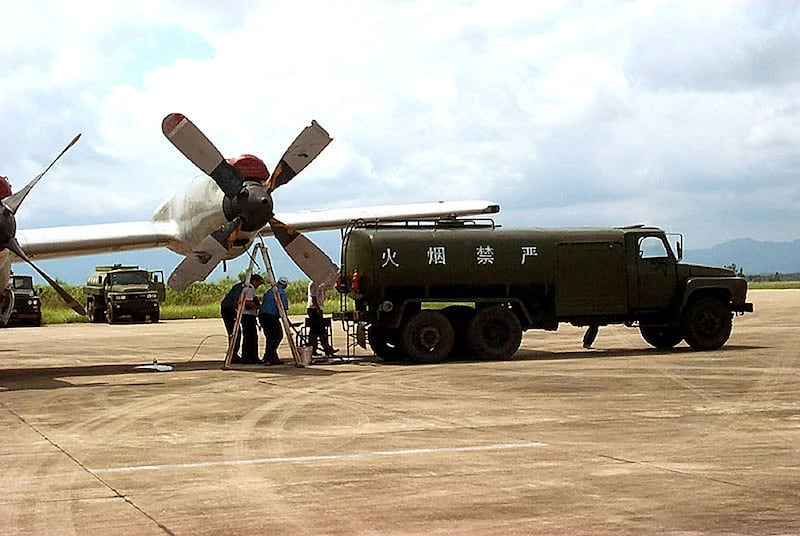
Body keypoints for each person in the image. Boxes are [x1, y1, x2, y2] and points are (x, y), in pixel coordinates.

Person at [260, 276, 289, 365]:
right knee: (277, 335)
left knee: (270, 337)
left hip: (262, 316)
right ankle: (269, 356)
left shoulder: (269, 291)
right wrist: (286, 319)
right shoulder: (281, 292)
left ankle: (270, 356)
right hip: (271, 316)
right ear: (285, 285)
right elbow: (283, 307)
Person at [306, 281, 338, 357]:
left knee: (315, 330)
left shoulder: (319, 283)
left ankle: (314, 349)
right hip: (313, 309)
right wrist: (318, 308)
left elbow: (326, 289)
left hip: (318, 308)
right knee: (320, 330)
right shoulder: (313, 284)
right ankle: (327, 349)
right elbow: (313, 297)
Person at [239, 274, 264, 364]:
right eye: (259, 283)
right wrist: (259, 307)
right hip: (247, 315)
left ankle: (248, 357)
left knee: (249, 336)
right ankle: (251, 357)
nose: (258, 286)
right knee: (251, 337)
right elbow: (248, 302)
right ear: (255, 281)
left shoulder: (248, 288)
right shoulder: (249, 288)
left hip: (248, 315)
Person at [220, 279, 245, 362]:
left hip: (227, 309)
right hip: (228, 310)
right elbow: (236, 299)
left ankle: (233, 353)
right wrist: (236, 312)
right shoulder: (241, 287)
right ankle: (232, 355)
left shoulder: (239, 286)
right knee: (234, 332)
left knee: (235, 332)